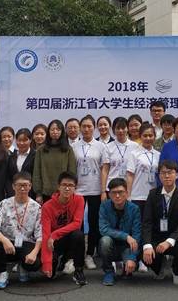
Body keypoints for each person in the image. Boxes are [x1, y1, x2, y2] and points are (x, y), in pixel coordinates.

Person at [0, 172, 42, 289]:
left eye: (25, 185)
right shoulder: (4, 204)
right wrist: (4, 240)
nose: (22, 188)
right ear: (13, 186)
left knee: (35, 264)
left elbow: (40, 234)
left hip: (26, 243)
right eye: (19, 185)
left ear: (30, 186)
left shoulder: (36, 207)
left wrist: (34, 252)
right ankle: (2, 273)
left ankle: (23, 266)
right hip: (8, 244)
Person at [142, 160, 178, 285]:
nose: (167, 176)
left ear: (177, 175)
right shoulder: (153, 194)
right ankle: (159, 268)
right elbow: (147, 221)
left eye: (170, 172)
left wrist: (169, 241)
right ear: (159, 176)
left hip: (175, 237)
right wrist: (147, 245)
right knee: (142, 249)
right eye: (163, 173)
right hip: (157, 236)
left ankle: (176, 271)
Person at [72, 115, 109, 269]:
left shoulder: (101, 146)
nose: (86, 129)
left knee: (94, 224)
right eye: (84, 126)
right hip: (78, 191)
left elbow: (104, 169)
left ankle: (89, 255)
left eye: (89, 126)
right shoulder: (74, 146)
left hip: (95, 190)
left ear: (94, 128)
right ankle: (77, 255)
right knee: (78, 224)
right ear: (80, 128)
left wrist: (103, 190)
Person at [41, 172, 87, 285]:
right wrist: (47, 262)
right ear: (58, 186)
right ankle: (57, 260)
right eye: (64, 185)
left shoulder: (79, 200)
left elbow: (77, 223)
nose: (67, 188)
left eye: (70, 185)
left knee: (78, 235)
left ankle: (78, 270)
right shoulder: (47, 206)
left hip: (68, 238)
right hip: (54, 243)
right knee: (49, 275)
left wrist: (55, 234)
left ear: (75, 188)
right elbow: (45, 234)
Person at [126, 123, 160, 273]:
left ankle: (148, 258)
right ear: (140, 137)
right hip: (137, 196)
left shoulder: (158, 154)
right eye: (145, 135)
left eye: (150, 135)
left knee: (150, 228)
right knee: (137, 229)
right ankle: (137, 258)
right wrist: (128, 195)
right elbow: (130, 175)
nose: (148, 138)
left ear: (155, 137)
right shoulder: (134, 154)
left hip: (153, 197)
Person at [98, 178, 141, 286]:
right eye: (114, 193)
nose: (117, 196)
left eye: (120, 192)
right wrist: (126, 236)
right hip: (111, 245)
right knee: (105, 241)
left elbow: (137, 235)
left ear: (126, 193)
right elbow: (103, 229)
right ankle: (109, 271)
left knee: (131, 267)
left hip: (127, 247)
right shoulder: (104, 206)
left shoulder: (134, 209)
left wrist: (132, 258)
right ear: (109, 194)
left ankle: (127, 266)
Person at [33, 119, 77, 204]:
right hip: (45, 192)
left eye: (58, 129)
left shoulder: (68, 149)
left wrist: (70, 189)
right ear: (48, 131)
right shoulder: (41, 150)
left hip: (64, 192)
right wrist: (38, 193)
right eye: (52, 129)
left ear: (62, 132)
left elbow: (72, 172)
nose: (55, 132)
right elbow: (37, 172)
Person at [102, 117, 138, 192]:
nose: (120, 131)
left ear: (127, 129)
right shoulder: (108, 147)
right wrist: (103, 191)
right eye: (118, 128)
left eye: (123, 128)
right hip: (112, 187)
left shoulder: (135, 146)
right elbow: (105, 170)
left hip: (129, 187)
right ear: (113, 130)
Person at [5, 128, 36, 198]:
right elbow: (8, 177)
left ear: (30, 140)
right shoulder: (11, 155)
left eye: (25, 140)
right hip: (13, 194)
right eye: (19, 140)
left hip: (30, 194)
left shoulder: (35, 156)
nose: (22, 143)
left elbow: (36, 176)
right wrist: (11, 192)